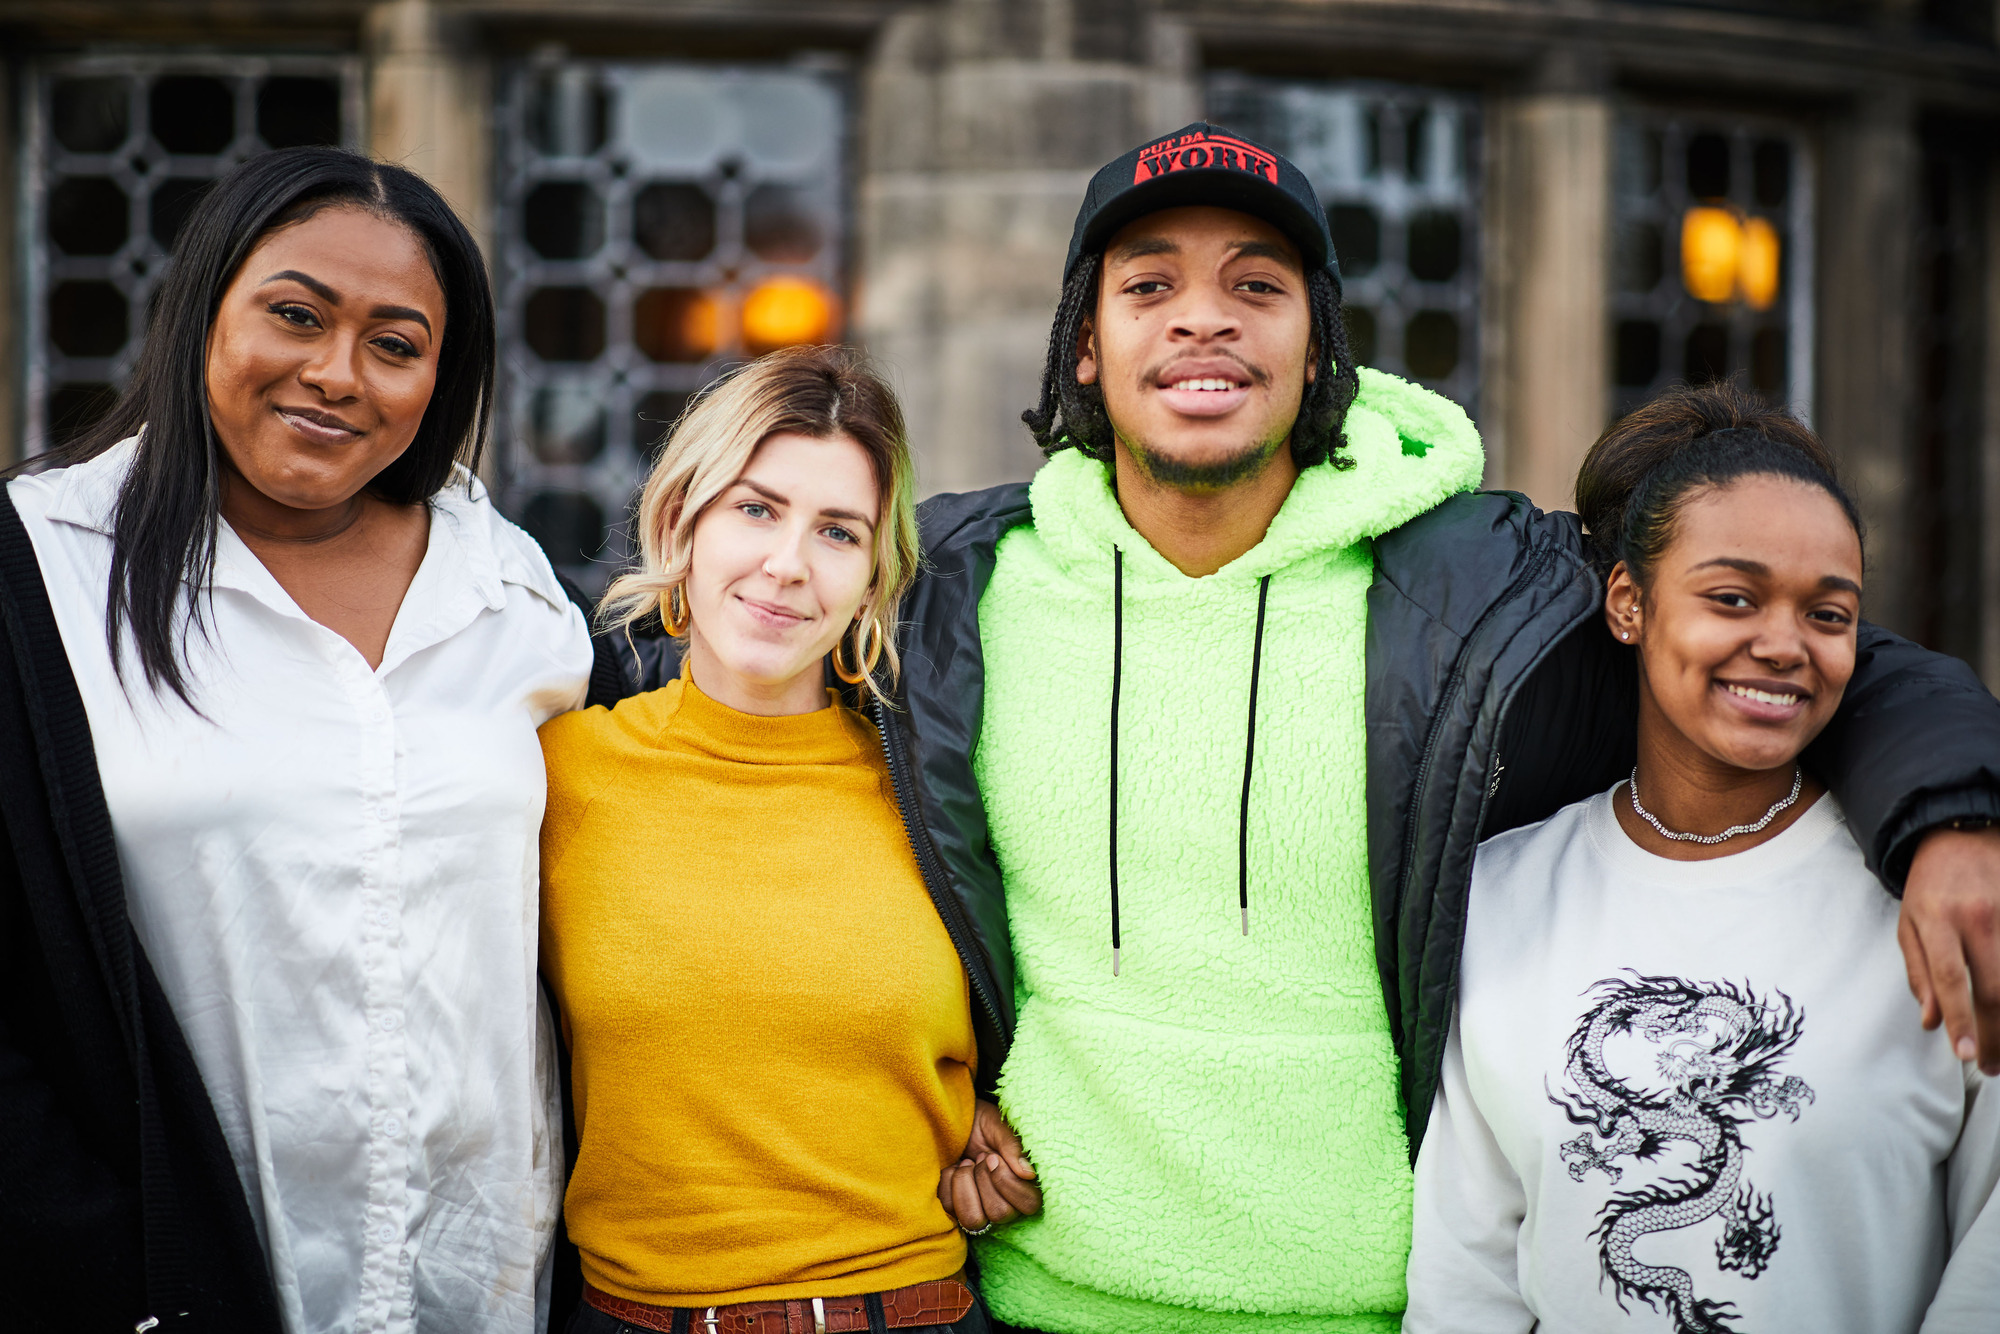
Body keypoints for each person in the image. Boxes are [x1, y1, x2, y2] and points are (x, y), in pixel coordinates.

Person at [606, 123, 2000, 1334]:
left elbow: (1786, 649)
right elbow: (696, 676)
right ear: (1086, 347)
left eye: (1256, 287)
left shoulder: (1478, 585)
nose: (1203, 319)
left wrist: (1951, 815)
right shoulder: (953, 585)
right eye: (1149, 285)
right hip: (1032, 1294)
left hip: (1375, 1299)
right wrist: (936, 1086)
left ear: (1317, 342)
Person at [0, 147, 594, 1333]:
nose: (336, 374)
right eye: (294, 314)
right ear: (203, 306)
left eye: (395, 342)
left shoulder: (512, 593)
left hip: (477, 1281)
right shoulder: (43, 575)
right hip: (166, 1282)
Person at [1404, 387, 1999, 1332]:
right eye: (1732, 598)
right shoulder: (1503, 894)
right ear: (1630, 604)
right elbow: (1463, 1279)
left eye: (1830, 615)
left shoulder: (1938, 899)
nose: (1782, 645)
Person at [537, 345, 1039, 1334]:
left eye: (837, 532)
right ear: (682, 519)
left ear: (872, 577)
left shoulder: (938, 791)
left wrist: (1008, 1127)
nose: (787, 563)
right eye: (755, 508)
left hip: (913, 1309)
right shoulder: (559, 774)